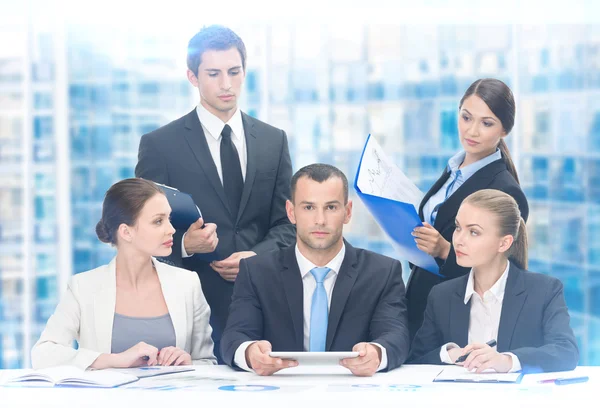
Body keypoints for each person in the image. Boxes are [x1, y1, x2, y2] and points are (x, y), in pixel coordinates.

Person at [135, 25, 295, 362]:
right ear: (192, 77)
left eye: (234, 72)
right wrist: (183, 246)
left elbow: (288, 223)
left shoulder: (273, 141)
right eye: (214, 73)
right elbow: (140, 235)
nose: (226, 84)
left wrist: (258, 257)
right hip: (193, 313)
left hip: (268, 305)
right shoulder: (160, 146)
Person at [221, 164, 410, 376]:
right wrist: (249, 353)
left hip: (354, 393)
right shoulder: (256, 272)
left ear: (347, 212)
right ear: (291, 212)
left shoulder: (382, 272)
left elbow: (396, 335)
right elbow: (235, 336)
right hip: (279, 394)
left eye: (331, 207)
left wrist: (376, 353)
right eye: (308, 207)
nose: (320, 220)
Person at [31, 178, 216, 369]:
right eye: (158, 221)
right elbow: (43, 354)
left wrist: (188, 363)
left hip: (172, 398)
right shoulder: (83, 287)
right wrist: (116, 360)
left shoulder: (187, 284)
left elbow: (208, 363)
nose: (171, 230)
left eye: (169, 219)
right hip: (105, 399)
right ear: (126, 232)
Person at [406, 78, 529, 340]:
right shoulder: (453, 170)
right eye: (466, 117)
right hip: (419, 303)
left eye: (486, 123)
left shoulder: (504, 190)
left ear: (504, 130)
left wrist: (444, 250)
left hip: (456, 320)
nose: (472, 131)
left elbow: (502, 272)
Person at [409, 190, 578, 373]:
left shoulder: (544, 291)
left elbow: (566, 352)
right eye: (458, 227)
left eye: (474, 232)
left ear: (504, 243)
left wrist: (506, 360)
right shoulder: (441, 295)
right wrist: (449, 353)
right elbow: (416, 359)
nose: (458, 240)